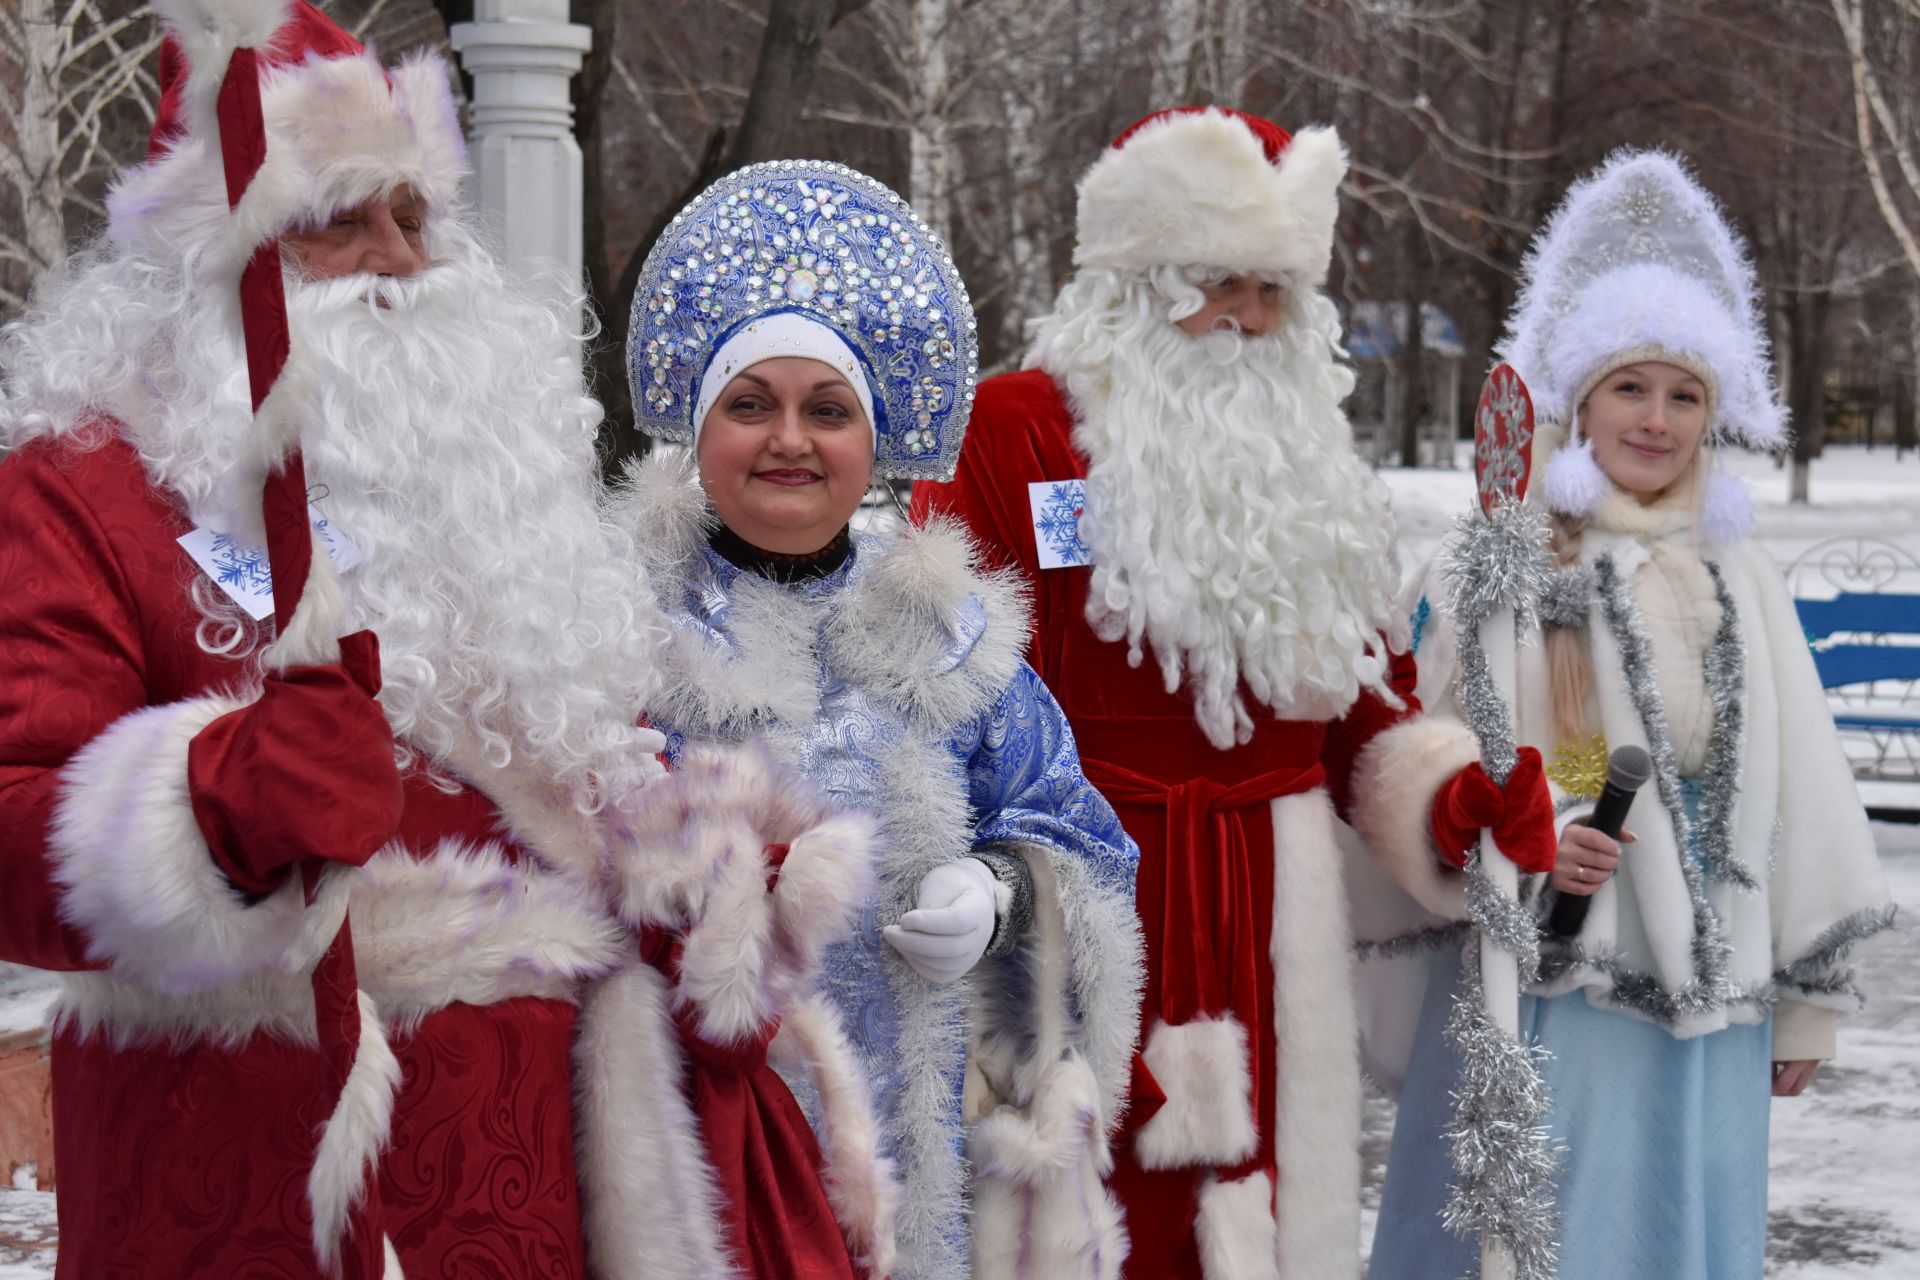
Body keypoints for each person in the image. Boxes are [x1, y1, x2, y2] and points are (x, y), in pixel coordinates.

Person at [0, 4, 884, 1276]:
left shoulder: (481, 476)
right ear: (211, 252)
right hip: (264, 1161)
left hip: (554, 1169)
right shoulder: (86, 486)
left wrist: (687, 867)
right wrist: (213, 806)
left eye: (415, 216)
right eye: (339, 219)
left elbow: (575, 773)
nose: (397, 260)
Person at [911, 105, 1554, 1278]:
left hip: (1271, 907)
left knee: (1260, 1213)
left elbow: (1366, 713)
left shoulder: (1307, 472)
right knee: (1085, 1223)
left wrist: (1450, 797)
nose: (1247, 322)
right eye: (1216, 284)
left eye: (1273, 293)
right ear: (1133, 278)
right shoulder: (1012, 430)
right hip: (1084, 896)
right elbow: (949, 692)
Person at [615, 158, 1147, 1280]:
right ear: (700, 430)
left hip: (921, 1170)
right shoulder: (612, 633)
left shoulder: (948, 637)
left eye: (828, 410)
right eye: (750, 404)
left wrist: (1001, 894)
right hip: (690, 1146)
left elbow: (1085, 843)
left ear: (875, 440)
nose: (789, 441)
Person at [1368, 150, 1896, 1280]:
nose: (1655, 421)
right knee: (1548, 1225)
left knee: (1676, 1229)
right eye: (1630, 387)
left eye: (1684, 394)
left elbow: (1798, 779)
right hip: (1558, 973)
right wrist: (1526, 821)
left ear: (1714, 414)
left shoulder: (1735, 570)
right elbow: (1426, 740)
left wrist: (1803, 1003)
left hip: (1716, 996)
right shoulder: (1510, 555)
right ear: (1581, 398)